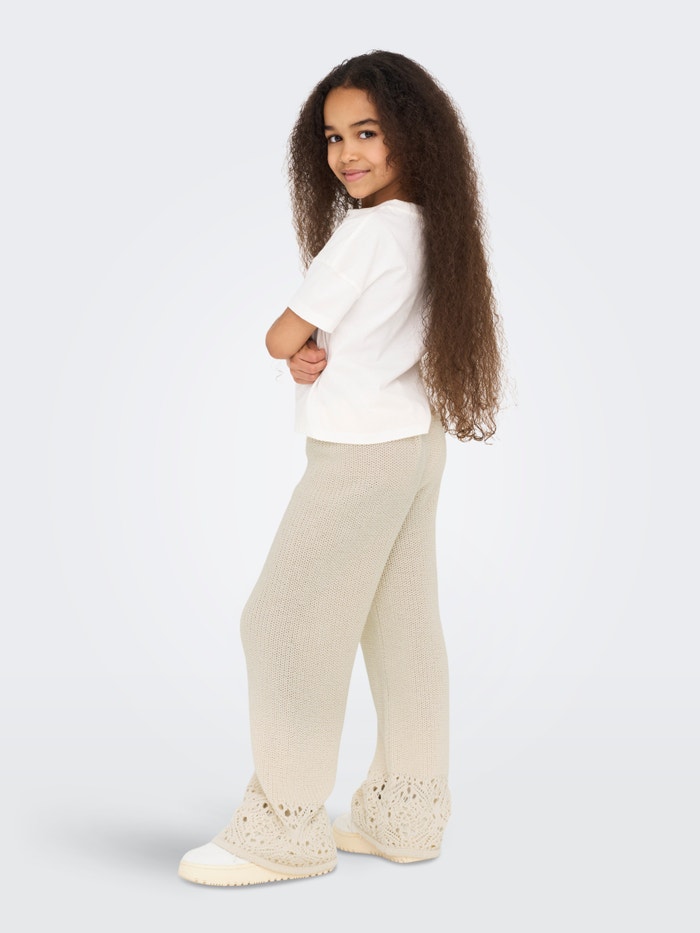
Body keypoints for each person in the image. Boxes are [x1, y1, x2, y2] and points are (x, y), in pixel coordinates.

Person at [178, 49, 503, 886]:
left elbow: (280, 335)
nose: (346, 153)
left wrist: (298, 346)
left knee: (278, 623)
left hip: (359, 455)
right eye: (332, 137)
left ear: (411, 136)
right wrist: (317, 352)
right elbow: (361, 338)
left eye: (367, 132)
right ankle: (406, 813)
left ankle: (285, 828)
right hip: (414, 443)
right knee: (402, 629)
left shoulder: (365, 234)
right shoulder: (433, 226)